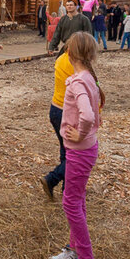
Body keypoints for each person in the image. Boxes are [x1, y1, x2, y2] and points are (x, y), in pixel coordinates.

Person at [48, 32, 103, 259]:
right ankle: (74, 249)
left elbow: (89, 115)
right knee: (77, 199)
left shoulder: (77, 82)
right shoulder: (88, 77)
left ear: (68, 54)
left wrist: (80, 132)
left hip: (80, 150)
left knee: (70, 203)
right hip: (82, 150)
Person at [40, 51, 74, 199]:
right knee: (75, 155)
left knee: (66, 150)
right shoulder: (76, 64)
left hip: (55, 108)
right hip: (67, 111)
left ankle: (67, 188)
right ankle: (52, 179)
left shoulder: (61, 58)